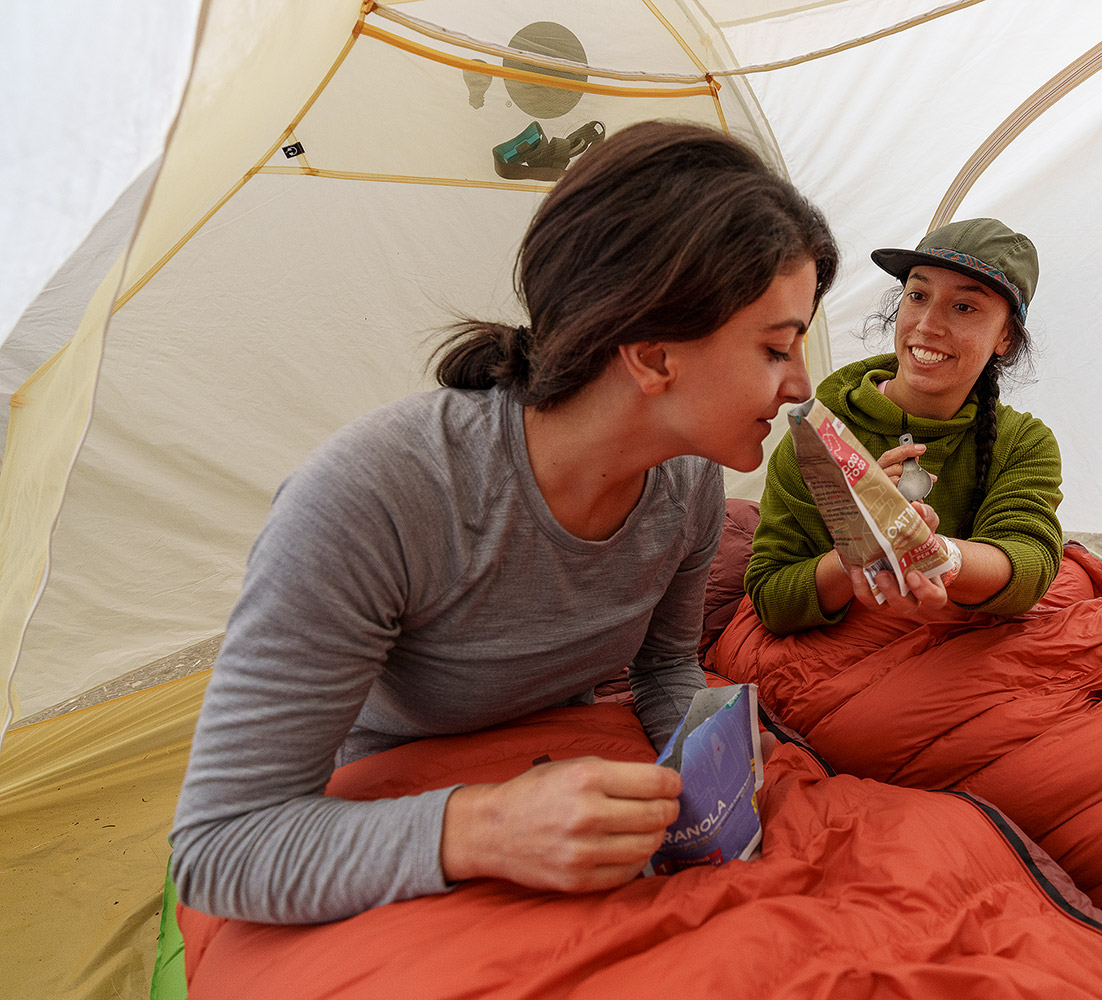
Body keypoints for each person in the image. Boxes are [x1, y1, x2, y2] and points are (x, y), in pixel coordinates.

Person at [170, 121, 839, 924]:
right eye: (776, 348)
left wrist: (715, 765)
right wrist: (484, 826)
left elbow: (663, 667)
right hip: (395, 806)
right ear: (653, 355)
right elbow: (217, 847)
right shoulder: (375, 498)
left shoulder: (688, 482)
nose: (802, 384)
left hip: (567, 759)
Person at [745, 218, 1062, 636]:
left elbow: (1029, 565)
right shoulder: (823, 431)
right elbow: (771, 596)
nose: (927, 325)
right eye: (918, 295)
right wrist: (862, 542)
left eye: (964, 306)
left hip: (956, 653)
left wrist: (935, 553)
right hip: (839, 652)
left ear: (1005, 336)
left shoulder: (1024, 443)